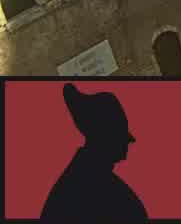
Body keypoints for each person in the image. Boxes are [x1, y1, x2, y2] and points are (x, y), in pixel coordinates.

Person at [40, 84, 148, 221]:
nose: (126, 146)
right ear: (106, 138)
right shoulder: (84, 186)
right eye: (120, 137)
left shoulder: (85, 177)